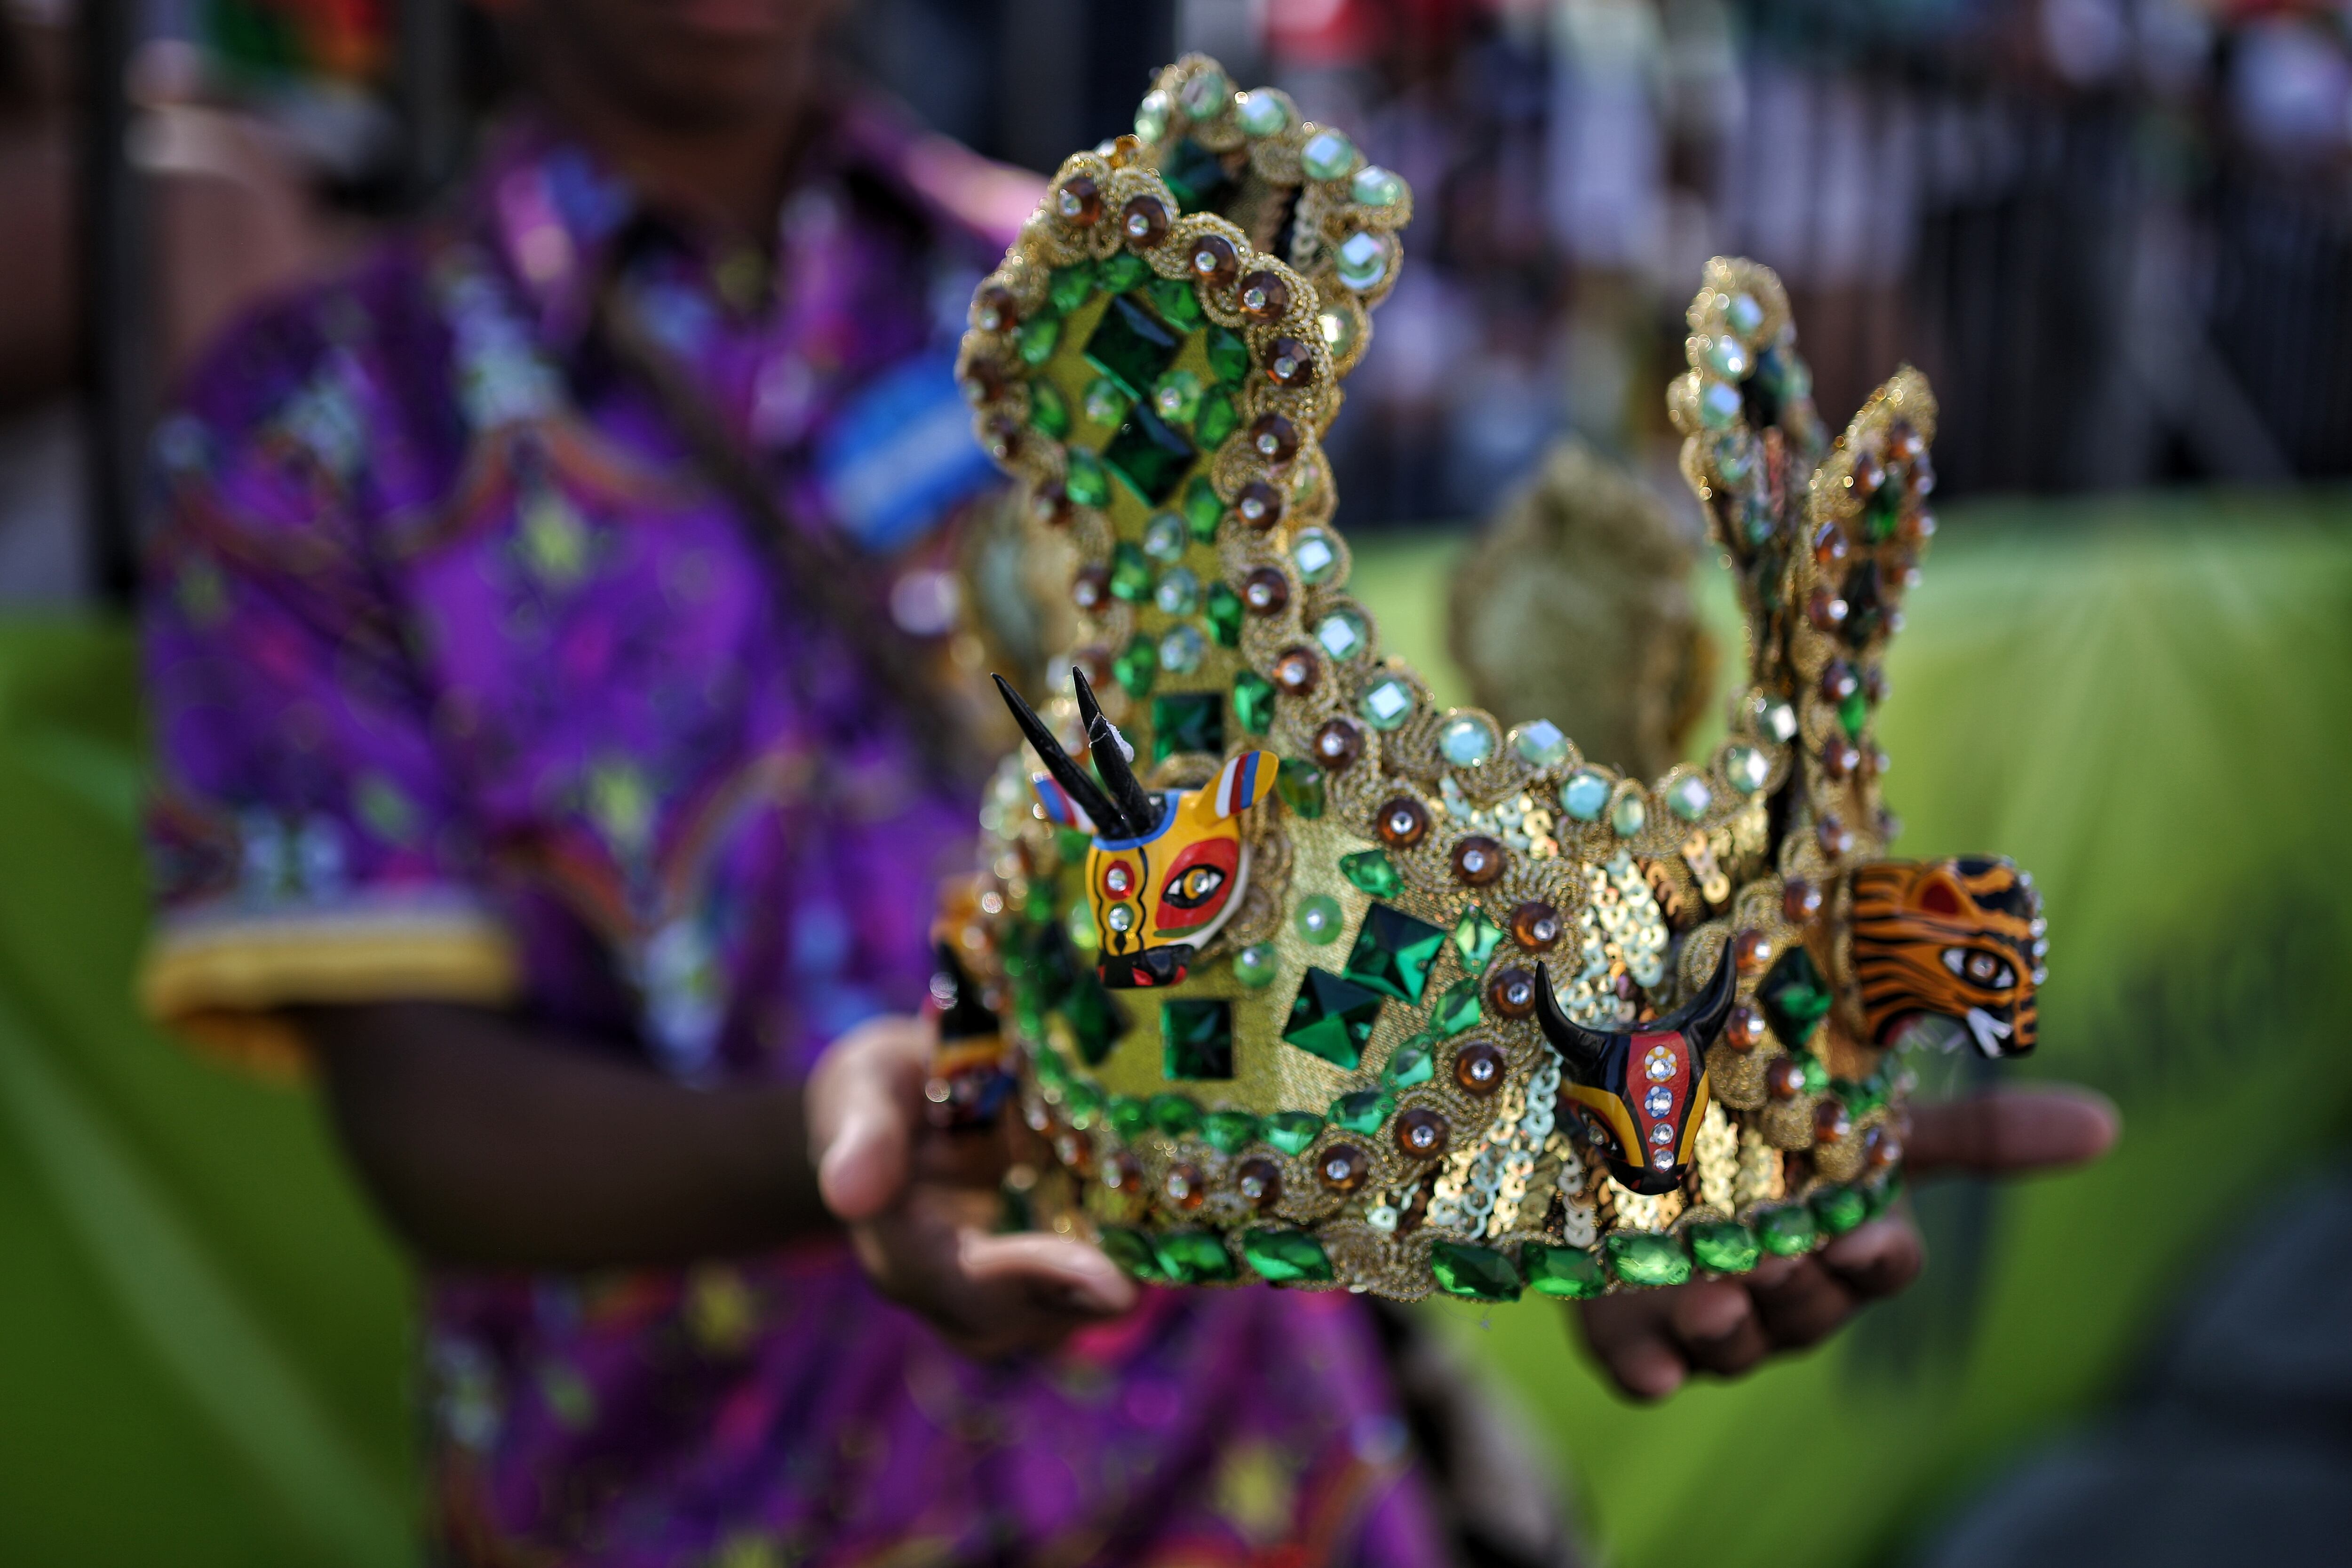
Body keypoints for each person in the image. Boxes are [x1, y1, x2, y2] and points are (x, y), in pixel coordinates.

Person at [135, 1, 2120, 1563]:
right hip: (685, 1506)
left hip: (1249, 1483)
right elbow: (421, 1118)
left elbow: (1291, 894)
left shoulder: (1112, 291)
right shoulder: (316, 431)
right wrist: (866, 1139)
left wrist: (1559, 1164)